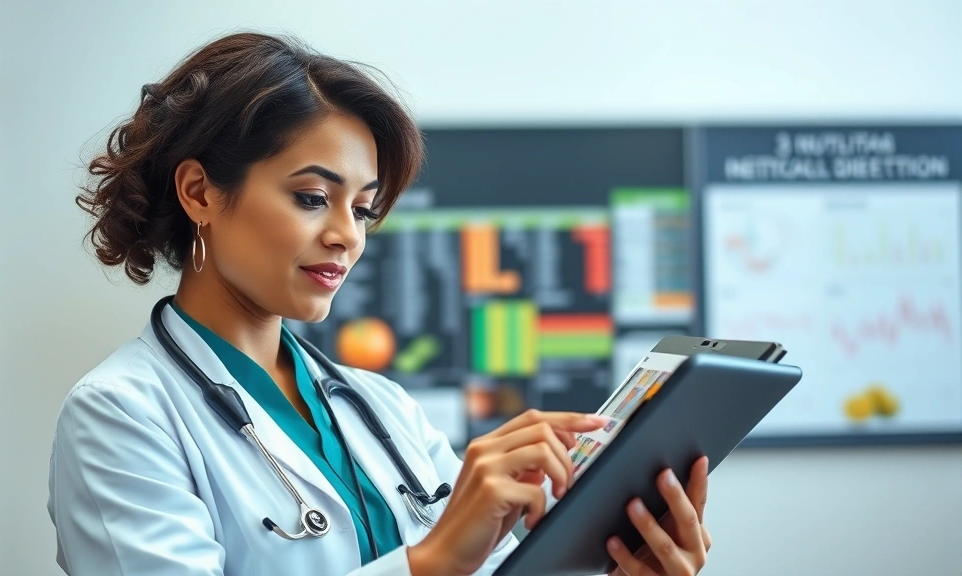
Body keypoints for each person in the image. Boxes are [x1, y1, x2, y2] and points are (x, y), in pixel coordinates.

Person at [46, 31, 712, 576]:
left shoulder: (383, 409)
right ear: (200, 192)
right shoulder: (121, 414)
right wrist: (430, 563)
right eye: (313, 197)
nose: (348, 235)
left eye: (363, 209)